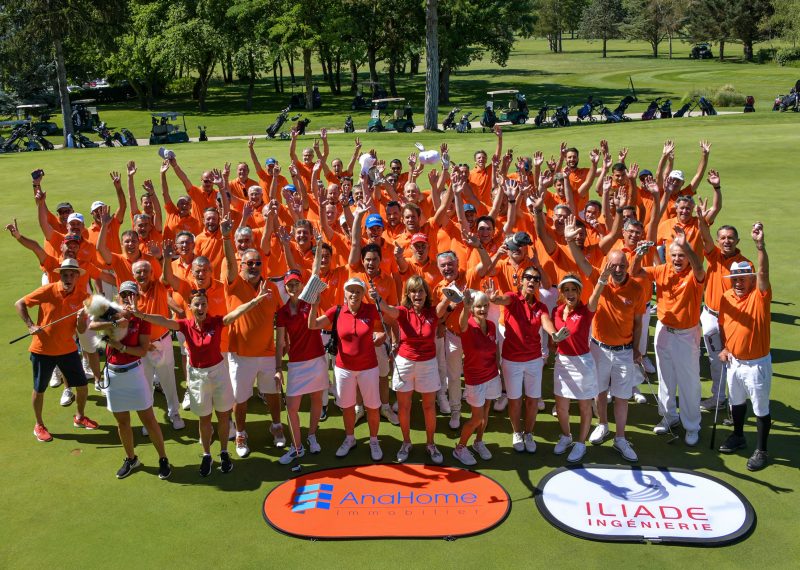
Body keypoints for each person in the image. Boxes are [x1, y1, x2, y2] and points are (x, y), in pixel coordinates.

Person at [134, 282, 271, 476]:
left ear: (207, 306)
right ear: (190, 307)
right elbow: (163, 321)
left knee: (223, 416)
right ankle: (207, 455)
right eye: (196, 305)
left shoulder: (216, 322)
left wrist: (255, 301)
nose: (200, 308)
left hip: (219, 373)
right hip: (198, 377)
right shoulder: (185, 325)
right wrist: (141, 314)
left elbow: (236, 313)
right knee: (204, 418)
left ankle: (224, 452)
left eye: (203, 304)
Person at [87, 281, 172, 480]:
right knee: (122, 422)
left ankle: (163, 459)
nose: (127, 298)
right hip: (113, 375)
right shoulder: (110, 314)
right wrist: (116, 322)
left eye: (131, 295)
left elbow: (142, 350)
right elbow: (91, 325)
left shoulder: (142, 320)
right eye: (124, 295)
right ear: (119, 297)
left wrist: (121, 347)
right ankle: (131, 458)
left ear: (137, 298)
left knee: (149, 419)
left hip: (134, 374)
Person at [634, 226, 706, 446]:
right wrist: (637, 256)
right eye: (674, 254)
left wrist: (687, 246)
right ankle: (669, 416)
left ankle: (692, 425)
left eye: (681, 255)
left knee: (689, 381)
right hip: (664, 331)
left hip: (686, 334)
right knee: (666, 379)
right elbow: (635, 273)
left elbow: (700, 269)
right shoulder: (662, 269)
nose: (677, 259)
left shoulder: (694, 274)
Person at [15, 258, 98, 442]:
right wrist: (30, 325)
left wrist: (79, 320)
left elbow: (82, 330)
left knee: (83, 387)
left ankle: (80, 417)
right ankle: (39, 425)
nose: (68, 278)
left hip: (67, 349)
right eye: (65, 274)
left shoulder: (83, 297)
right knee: (40, 389)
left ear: (77, 277)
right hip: (42, 349)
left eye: (71, 274)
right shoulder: (48, 290)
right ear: (60, 275)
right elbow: (19, 303)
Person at [370, 276, 450, 463]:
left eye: (421, 291)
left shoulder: (433, 311)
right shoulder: (402, 311)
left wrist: (450, 294)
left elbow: (446, 303)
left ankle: (431, 444)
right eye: (413, 291)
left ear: (426, 294)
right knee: (404, 407)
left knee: (429, 407)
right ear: (408, 294)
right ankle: (406, 442)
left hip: (428, 364)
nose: (417, 295)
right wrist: (378, 298)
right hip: (404, 364)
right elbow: (387, 309)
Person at [308, 277, 385, 461]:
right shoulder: (337, 310)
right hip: (344, 369)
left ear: (363, 294)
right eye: (351, 290)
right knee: (348, 406)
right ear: (345, 293)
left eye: (358, 291)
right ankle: (350, 438)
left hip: (368, 368)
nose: (354, 294)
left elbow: (385, 327)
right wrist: (313, 305)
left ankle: (374, 440)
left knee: (373, 406)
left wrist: (381, 336)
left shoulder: (371, 309)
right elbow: (313, 325)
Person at [717, 223, 773, 471]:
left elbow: (763, 273)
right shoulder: (726, 297)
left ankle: (761, 450)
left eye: (743, 278)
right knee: (736, 403)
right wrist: (725, 347)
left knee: (760, 408)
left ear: (751, 280)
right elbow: (723, 325)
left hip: (756, 365)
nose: (738, 282)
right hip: (734, 361)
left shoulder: (759, 296)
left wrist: (759, 246)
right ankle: (738, 436)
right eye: (735, 279)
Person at [585, 251, 649, 461]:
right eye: (614, 266)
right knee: (600, 391)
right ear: (607, 265)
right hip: (599, 348)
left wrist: (637, 349)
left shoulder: (637, 288)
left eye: (622, 266)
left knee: (622, 396)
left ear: (628, 265)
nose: (619, 270)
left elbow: (638, 322)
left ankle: (620, 438)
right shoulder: (598, 279)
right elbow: (578, 260)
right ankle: (602, 424)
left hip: (624, 350)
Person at [489, 266, 558, 454]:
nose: (532, 281)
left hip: (534, 360)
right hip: (511, 360)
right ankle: (517, 432)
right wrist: (494, 298)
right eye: (528, 277)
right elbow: (502, 299)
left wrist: (555, 334)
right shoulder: (512, 298)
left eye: (536, 279)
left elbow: (546, 322)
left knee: (533, 401)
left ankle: (528, 433)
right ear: (521, 281)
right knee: (515, 400)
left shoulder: (541, 306)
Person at [551, 269, 609, 463]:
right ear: (561, 292)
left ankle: (581, 443)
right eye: (566, 289)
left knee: (585, 407)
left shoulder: (586, 310)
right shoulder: (557, 311)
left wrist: (601, 279)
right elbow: (554, 337)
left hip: (582, 363)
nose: (570, 293)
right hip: (562, 363)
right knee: (561, 407)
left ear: (579, 291)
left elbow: (596, 294)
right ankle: (566, 437)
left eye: (573, 289)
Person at [274, 271, 329, 464]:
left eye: (296, 284)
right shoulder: (282, 313)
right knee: (291, 407)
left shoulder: (311, 303)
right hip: (296, 363)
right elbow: (280, 341)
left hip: (316, 360)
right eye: (290, 285)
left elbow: (316, 270)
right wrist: (278, 368)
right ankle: (297, 448)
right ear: (286, 288)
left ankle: (311, 435)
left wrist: (320, 245)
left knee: (316, 400)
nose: (293, 288)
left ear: (302, 285)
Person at [451, 289, 500, 466]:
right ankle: (460, 448)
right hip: (475, 379)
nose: (483, 309)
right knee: (476, 418)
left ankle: (478, 442)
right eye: (479, 306)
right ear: (472, 308)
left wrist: (498, 369)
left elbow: (495, 350)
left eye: (486, 305)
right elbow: (461, 321)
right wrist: (464, 306)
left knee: (486, 411)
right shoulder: (468, 325)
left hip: (492, 375)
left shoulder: (492, 326)